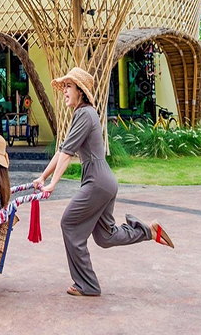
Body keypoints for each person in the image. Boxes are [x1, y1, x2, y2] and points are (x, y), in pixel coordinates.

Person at [33, 67, 174, 297]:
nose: (65, 91)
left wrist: (53, 184)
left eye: (69, 87)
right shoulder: (84, 114)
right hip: (104, 180)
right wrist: (43, 177)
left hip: (97, 182)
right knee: (105, 237)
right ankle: (148, 230)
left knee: (69, 224)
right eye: (65, 87)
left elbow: (67, 154)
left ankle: (87, 284)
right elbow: (62, 151)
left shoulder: (84, 114)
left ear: (80, 91)